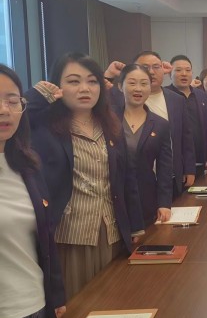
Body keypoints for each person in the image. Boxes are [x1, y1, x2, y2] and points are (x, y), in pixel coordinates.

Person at [25, 53, 144, 298]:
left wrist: (136, 226)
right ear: (57, 85)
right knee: (79, 306)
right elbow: (15, 117)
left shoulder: (110, 124)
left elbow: (127, 178)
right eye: (73, 81)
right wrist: (38, 97)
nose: (84, 89)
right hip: (71, 237)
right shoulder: (43, 128)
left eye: (92, 81)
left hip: (111, 232)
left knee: (114, 300)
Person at [0, 65, 66, 318]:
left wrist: (55, 296)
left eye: (12, 101)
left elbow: (43, 236)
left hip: (34, 312)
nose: (4, 110)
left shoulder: (26, 164)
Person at [105, 51, 196, 196]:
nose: (151, 72)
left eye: (156, 67)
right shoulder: (122, 98)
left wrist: (189, 169)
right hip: (130, 181)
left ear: (164, 70)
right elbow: (100, 95)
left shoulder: (176, 99)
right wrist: (108, 75)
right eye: (145, 67)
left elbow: (186, 136)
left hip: (169, 175)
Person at [117, 64, 173, 227]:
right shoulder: (108, 119)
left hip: (146, 198)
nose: (138, 89)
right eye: (132, 83)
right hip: (114, 198)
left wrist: (164, 203)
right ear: (120, 86)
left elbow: (164, 167)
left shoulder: (160, 124)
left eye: (144, 83)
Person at [166, 55, 207, 177]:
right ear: (169, 73)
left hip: (200, 158)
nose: (184, 74)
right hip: (175, 161)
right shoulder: (165, 95)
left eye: (188, 70)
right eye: (178, 70)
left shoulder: (202, 95)